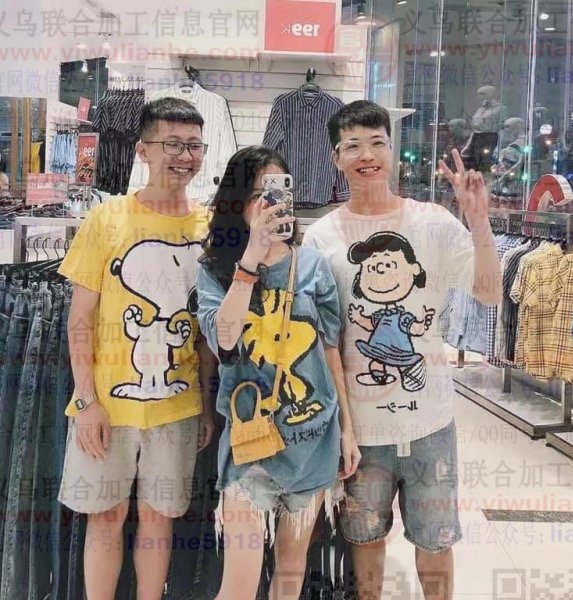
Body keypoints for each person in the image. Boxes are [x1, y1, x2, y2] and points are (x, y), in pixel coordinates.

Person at [302, 100, 502, 600]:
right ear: (336, 157)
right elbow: (323, 340)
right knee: (364, 540)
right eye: (353, 146)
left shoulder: (433, 222)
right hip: (361, 431)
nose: (366, 155)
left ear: (391, 150)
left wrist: (479, 222)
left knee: (436, 541)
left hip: (430, 423)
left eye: (377, 143)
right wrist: (340, 427)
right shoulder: (321, 238)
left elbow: (489, 293)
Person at [57, 97, 216, 600]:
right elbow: (80, 320)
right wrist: (87, 400)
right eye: (173, 144)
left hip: (178, 405)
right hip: (107, 404)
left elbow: (207, 331)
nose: (185, 156)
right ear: (143, 150)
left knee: (158, 517)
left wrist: (206, 404)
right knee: (105, 515)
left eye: (194, 146)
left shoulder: (211, 228)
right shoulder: (106, 219)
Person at [196, 145, 361, 600]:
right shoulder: (216, 268)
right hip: (250, 445)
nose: (267, 205)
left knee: (290, 572)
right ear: (237, 202)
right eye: (256, 194)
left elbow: (330, 351)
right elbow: (224, 339)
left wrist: (348, 430)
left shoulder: (313, 265)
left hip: (313, 438)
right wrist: (250, 259)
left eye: (276, 193)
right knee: (239, 583)